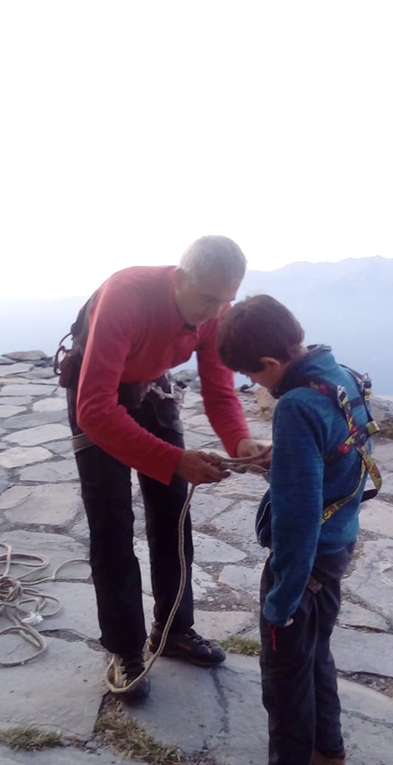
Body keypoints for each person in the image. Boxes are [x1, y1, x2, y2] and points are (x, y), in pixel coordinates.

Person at [63, 235, 263, 699]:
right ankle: (124, 648)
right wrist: (175, 460)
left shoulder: (210, 311)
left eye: (226, 300)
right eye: (208, 299)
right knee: (112, 524)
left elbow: (219, 390)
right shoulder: (127, 296)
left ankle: (172, 630)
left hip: (151, 388)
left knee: (173, 515)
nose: (216, 313)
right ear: (178, 279)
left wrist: (241, 440)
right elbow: (95, 409)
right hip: (97, 395)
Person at [218, 294, 379, 765]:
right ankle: (328, 750)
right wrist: (285, 458)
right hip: (337, 547)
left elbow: (296, 515)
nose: (256, 386)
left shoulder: (296, 407)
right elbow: (339, 456)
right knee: (316, 654)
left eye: (253, 376)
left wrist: (281, 600)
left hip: (304, 565)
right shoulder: (340, 375)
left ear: (269, 362)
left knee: (285, 674)